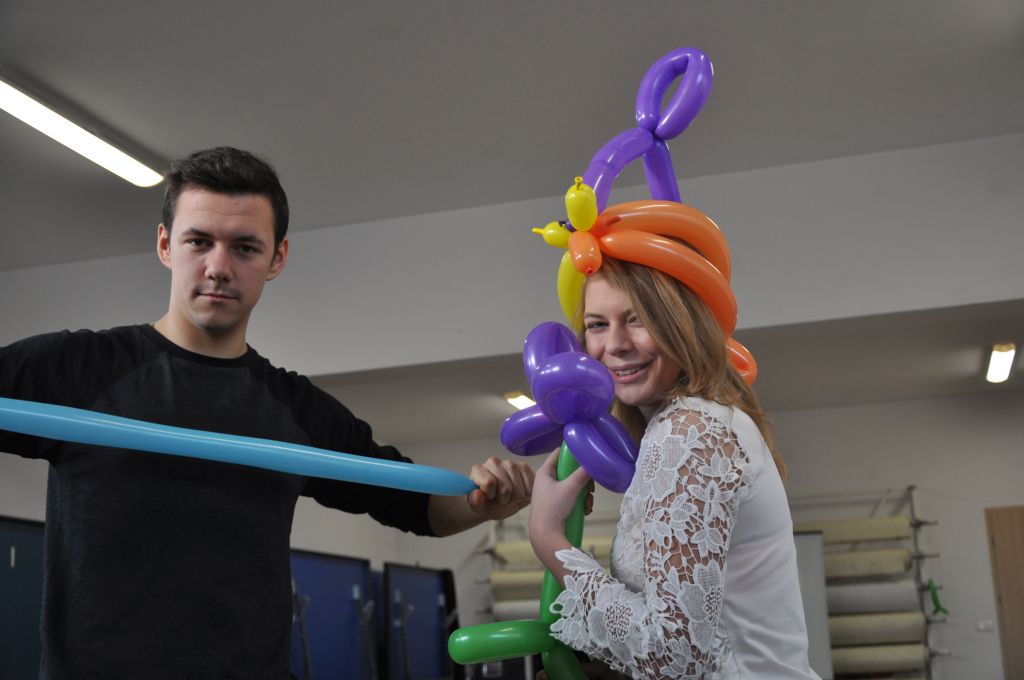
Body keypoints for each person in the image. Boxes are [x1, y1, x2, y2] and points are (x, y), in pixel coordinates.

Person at [0, 146, 534, 679]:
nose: (218, 267)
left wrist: (483, 502)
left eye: (245, 248)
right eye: (198, 241)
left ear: (276, 258)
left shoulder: (296, 410)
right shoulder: (78, 369)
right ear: (165, 244)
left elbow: (417, 507)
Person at [529, 254, 819, 679]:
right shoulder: (690, 425)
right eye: (597, 325)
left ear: (680, 325)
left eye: (637, 319)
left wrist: (547, 536)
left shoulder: (688, 430)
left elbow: (673, 656)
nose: (616, 344)